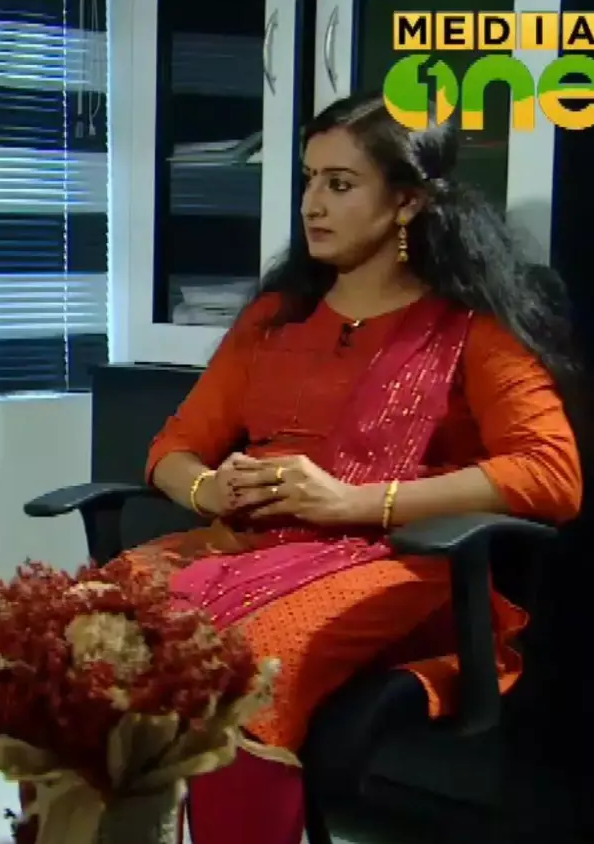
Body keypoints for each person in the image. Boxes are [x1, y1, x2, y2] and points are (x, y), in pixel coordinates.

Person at [132, 92, 582, 844]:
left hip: (395, 565)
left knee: (244, 664)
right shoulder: (275, 320)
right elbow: (171, 449)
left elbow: (551, 472)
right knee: (81, 622)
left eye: (340, 184)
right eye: (309, 179)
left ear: (407, 202)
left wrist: (356, 501)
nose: (312, 204)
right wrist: (208, 488)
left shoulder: (470, 327)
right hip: (247, 544)